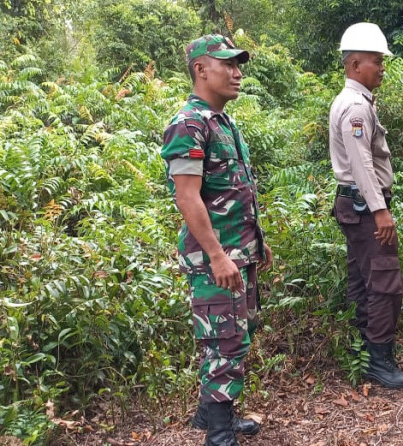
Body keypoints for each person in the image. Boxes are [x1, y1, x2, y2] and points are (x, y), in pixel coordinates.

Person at [160, 34, 273, 446]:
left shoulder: (222, 122)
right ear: (201, 69)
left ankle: (209, 413)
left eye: (238, 64)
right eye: (228, 64)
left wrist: (256, 242)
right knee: (226, 341)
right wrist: (217, 256)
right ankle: (220, 436)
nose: (237, 72)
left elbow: (233, 193)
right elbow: (187, 197)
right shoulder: (187, 124)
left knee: (236, 334)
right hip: (216, 259)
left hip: (238, 252)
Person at [329, 23, 403, 389]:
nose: (381, 68)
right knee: (383, 282)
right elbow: (362, 164)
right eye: (377, 61)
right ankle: (378, 360)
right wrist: (381, 210)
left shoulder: (357, 102)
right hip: (365, 206)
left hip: (359, 205)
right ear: (355, 64)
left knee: (364, 279)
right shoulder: (355, 107)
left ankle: (364, 349)